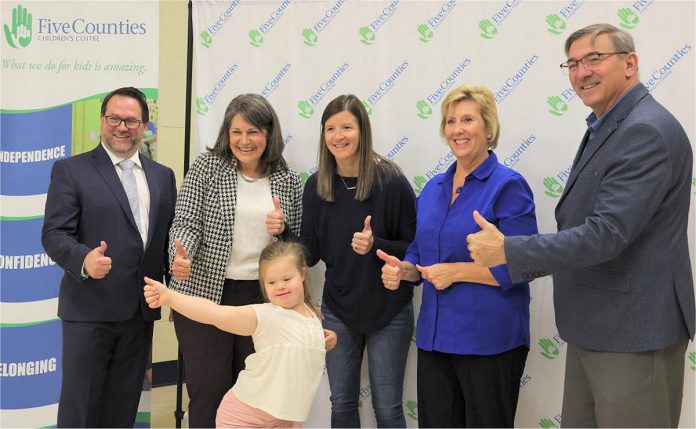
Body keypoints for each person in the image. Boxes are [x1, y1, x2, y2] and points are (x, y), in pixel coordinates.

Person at [467, 23, 694, 428]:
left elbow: (606, 234)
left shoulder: (644, 130)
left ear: (630, 63)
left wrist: (509, 251)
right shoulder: (611, 124)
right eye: (572, 63)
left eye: (594, 58)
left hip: (633, 333)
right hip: (597, 327)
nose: (581, 72)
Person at [377, 84, 537, 427]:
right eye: (450, 121)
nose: (457, 129)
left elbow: (525, 264)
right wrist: (403, 270)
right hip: (435, 340)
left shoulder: (508, 186)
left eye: (467, 119)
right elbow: (420, 258)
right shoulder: (434, 188)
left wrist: (457, 272)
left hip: (489, 341)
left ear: (489, 128)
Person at [41, 87, 176, 427]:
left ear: (144, 126)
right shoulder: (72, 170)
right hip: (89, 313)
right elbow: (54, 234)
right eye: (114, 118)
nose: (122, 127)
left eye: (131, 120)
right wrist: (84, 259)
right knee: (80, 411)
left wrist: (176, 271)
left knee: (122, 412)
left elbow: (163, 242)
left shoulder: (163, 176)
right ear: (102, 121)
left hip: (139, 315)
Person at [168, 93, 303, 428]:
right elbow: (184, 221)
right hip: (204, 294)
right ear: (226, 134)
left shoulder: (287, 179)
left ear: (268, 134)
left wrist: (283, 228)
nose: (245, 140)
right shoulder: (207, 167)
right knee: (208, 389)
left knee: (254, 396)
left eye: (253, 131)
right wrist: (178, 254)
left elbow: (300, 248)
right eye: (237, 132)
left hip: (261, 301)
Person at [281, 94, 417, 427]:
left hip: (390, 310)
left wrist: (375, 244)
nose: (338, 136)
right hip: (338, 309)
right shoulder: (317, 185)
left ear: (362, 131)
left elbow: (415, 249)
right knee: (341, 403)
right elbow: (311, 254)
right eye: (330, 128)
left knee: (387, 407)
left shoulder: (392, 183)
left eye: (347, 127)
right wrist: (284, 231)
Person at [144, 241, 337, 428]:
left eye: (287, 279)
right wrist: (169, 297)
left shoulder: (312, 315)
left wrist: (323, 339)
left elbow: (299, 340)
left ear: (303, 274)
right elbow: (213, 313)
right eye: (271, 282)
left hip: (284, 419)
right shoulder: (266, 315)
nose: (280, 286)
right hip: (244, 419)